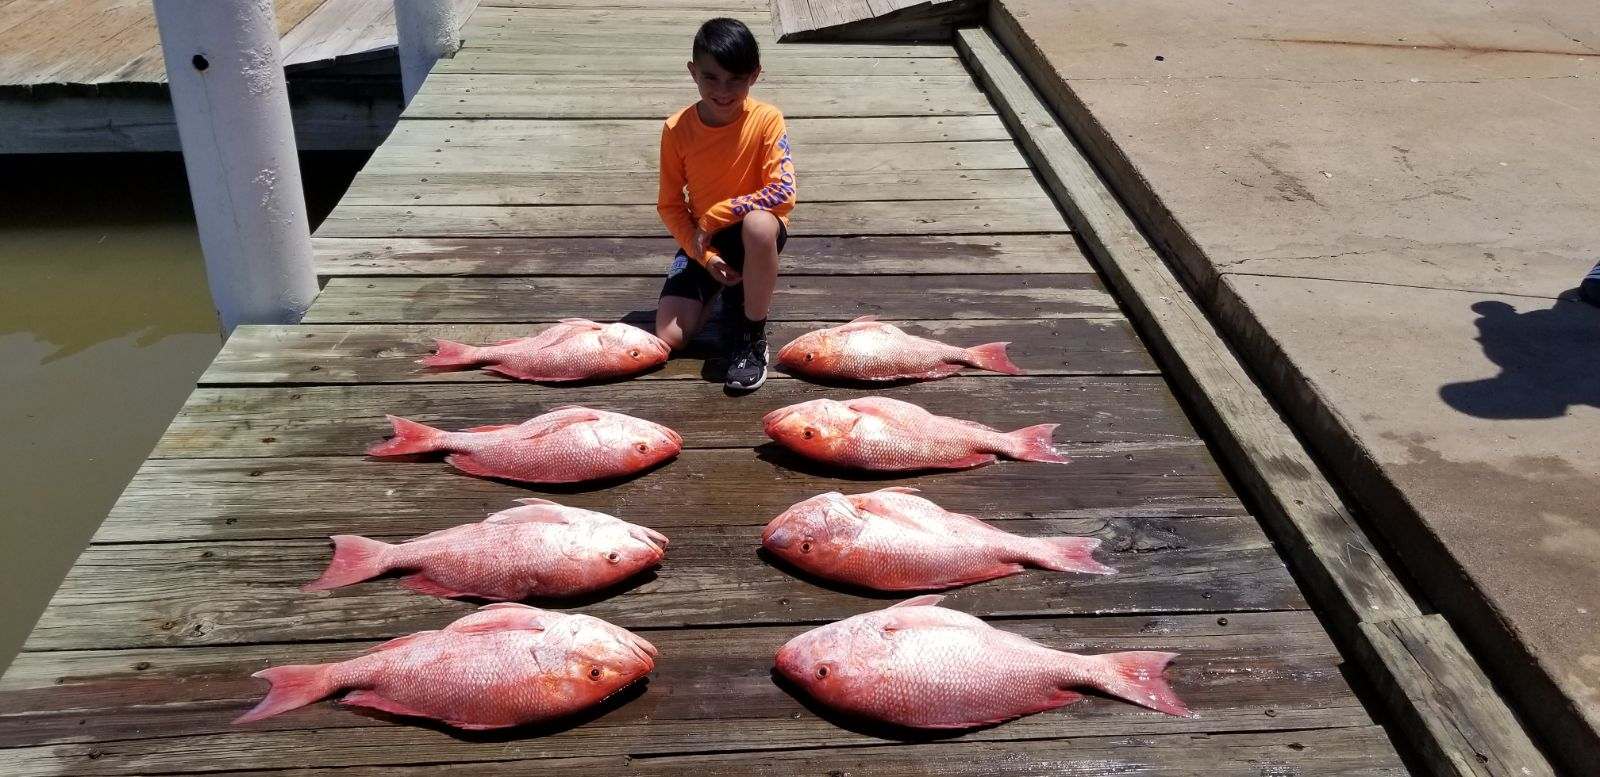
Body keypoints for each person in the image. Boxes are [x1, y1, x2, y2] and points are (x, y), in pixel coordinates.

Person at [654, 17, 796, 391]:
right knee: (670, 336)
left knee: (759, 225)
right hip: (706, 242)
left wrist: (716, 215)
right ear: (692, 72)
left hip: (752, 232)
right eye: (711, 77)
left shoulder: (767, 119)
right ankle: (727, 286)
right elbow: (670, 206)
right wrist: (706, 257)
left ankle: (751, 335)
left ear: (755, 75)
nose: (722, 90)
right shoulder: (676, 129)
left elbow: (783, 191)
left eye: (735, 79)